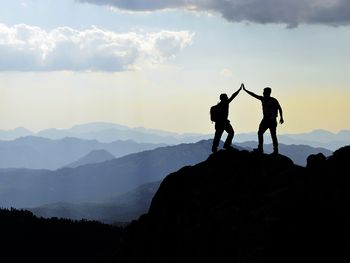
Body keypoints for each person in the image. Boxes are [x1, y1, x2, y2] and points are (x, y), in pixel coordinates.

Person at [242, 84, 284, 154]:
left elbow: (279, 108)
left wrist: (281, 118)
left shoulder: (273, 100)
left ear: (268, 93)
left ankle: (275, 150)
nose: (263, 93)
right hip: (265, 120)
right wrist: (245, 90)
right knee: (260, 133)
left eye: (264, 92)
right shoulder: (263, 99)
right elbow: (254, 95)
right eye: (263, 92)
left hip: (272, 120)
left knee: (273, 135)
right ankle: (260, 148)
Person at [211, 84, 243, 153]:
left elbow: (232, 96)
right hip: (224, 123)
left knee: (218, 136)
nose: (227, 98)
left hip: (219, 124)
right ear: (224, 98)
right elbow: (233, 96)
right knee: (230, 133)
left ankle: (214, 149)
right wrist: (239, 90)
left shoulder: (216, 107)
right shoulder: (226, 103)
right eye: (226, 97)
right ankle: (226, 145)